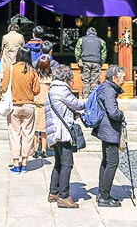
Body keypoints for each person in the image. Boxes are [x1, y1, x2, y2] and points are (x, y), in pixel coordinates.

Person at [44, 64, 86, 209]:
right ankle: (64, 196)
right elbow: (77, 104)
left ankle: (54, 192)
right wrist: (90, 101)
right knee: (67, 164)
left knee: (59, 163)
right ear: (66, 78)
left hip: (53, 131)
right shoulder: (62, 90)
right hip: (62, 132)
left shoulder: (52, 90)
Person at [1, 46, 40, 172]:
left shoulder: (11, 69)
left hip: (14, 106)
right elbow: (36, 90)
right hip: (29, 106)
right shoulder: (32, 71)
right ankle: (25, 163)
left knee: (14, 134)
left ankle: (16, 163)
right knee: (28, 135)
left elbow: (4, 87)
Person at [93, 65, 127, 207]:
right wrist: (122, 114)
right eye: (123, 78)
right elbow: (113, 112)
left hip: (105, 128)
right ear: (114, 78)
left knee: (107, 161)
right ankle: (104, 197)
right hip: (109, 130)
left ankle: (103, 193)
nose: (124, 81)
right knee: (112, 162)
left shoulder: (105, 87)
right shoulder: (109, 89)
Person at [75, 27, 107, 98]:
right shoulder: (101, 41)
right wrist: (101, 63)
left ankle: (85, 98)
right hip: (96, 62)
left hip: (85, 62)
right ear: (96, 34)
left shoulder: (81, 40)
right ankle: (93, 98)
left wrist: (78, 60)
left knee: (86, 81)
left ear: (87, 33)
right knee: (95, 82)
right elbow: (104, 54)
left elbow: (77, 51)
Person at [32, 54, 52, 159]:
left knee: (37, 129)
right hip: (43, 105)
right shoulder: (50, 78)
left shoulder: (35, 76)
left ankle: (37, 149)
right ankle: (42, 150)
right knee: (43, 130)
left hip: (38, 104)